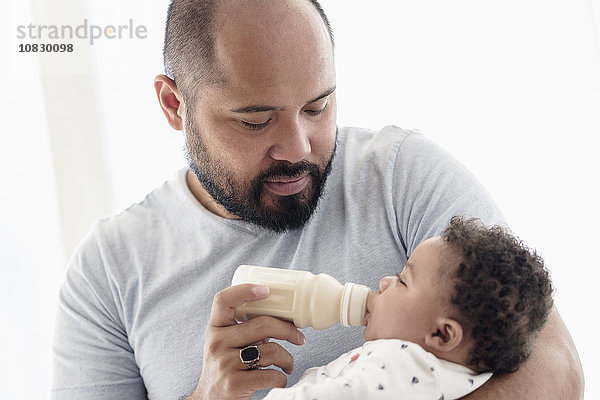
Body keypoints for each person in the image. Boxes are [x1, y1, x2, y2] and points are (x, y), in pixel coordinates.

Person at [51, 0, 583, 399]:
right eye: (255, 120)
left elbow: (555, 372)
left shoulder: (400, 176)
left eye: (317, 106)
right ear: (174, 106)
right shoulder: (108, 273)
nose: (299, 148)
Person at [262, 217, 554, 399]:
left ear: (441, 334)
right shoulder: (464, 375)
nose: (385, 281)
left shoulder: (402, 364)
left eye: (403, 280)